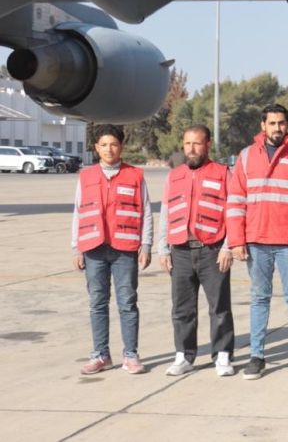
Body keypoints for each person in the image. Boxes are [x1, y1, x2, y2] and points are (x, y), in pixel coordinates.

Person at [226, 104, 288, 381]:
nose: (277, 128)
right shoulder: (244, 158)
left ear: (287, 125)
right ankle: (257, 356)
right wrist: (236, 240)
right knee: (259, 299)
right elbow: (235, 203)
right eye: (272, 123)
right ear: (262, 125)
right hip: (255, 242)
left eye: (282, 123)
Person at [73, 124, 153, 375]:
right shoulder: (85, 176)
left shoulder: (135, 175)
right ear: (96, 148)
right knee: (97, 302)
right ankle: (100, 355)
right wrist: (76, 247)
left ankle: (131, 355)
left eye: (114, 144)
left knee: (127, 302)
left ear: (121, 146)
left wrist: (146, 244)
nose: (109, 149)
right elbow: (78, 210)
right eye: (104, 145)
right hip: (93, 248)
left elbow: (146, 211)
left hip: (124, 249)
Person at [157, 124, 235, 377]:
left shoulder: (223, 173)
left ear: (208, 145)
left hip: (212, 250)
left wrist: (228, 246)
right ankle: (184, 355)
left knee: (219, 307)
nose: (191, 149)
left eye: (197, 143)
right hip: (179, 250)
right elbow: (166, 212)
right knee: (182, 308)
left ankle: (222, 355)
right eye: (187, 143)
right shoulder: (174, 175)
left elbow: (233, 213)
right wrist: (163, 248)